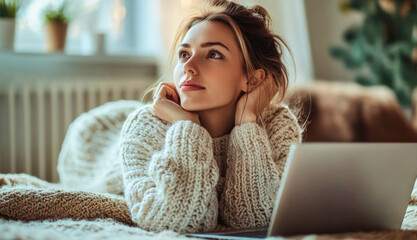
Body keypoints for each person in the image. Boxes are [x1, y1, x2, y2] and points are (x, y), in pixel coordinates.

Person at [57, 0, 302, 235]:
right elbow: (179, 219)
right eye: (184, 54)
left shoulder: (277, 125)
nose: (188, 67)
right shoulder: (145, 126)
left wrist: (247, 123)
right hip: (96, 145)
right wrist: (187, 127)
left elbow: (255, 219)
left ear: (252, 79)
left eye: (213, 54)